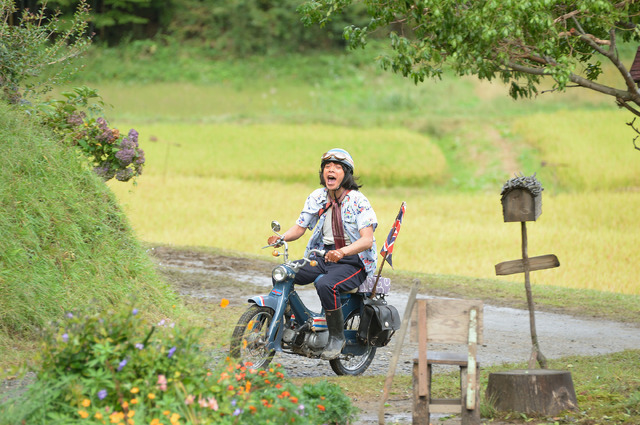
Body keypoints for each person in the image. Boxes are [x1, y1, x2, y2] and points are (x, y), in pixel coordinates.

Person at [267, 148, 378, 360]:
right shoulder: (317, 197)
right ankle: (290, 320)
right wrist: (282, 238)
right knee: (283, 272)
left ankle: (337, 337)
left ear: (346, 174)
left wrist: (342, 252)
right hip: (323, 256)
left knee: (326, 284)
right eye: (327, 167)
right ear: (322, 173)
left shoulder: (358, 201)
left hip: (353, 261)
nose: (331, 170)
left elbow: (367, 240)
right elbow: (300, 227)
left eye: (337, 167)